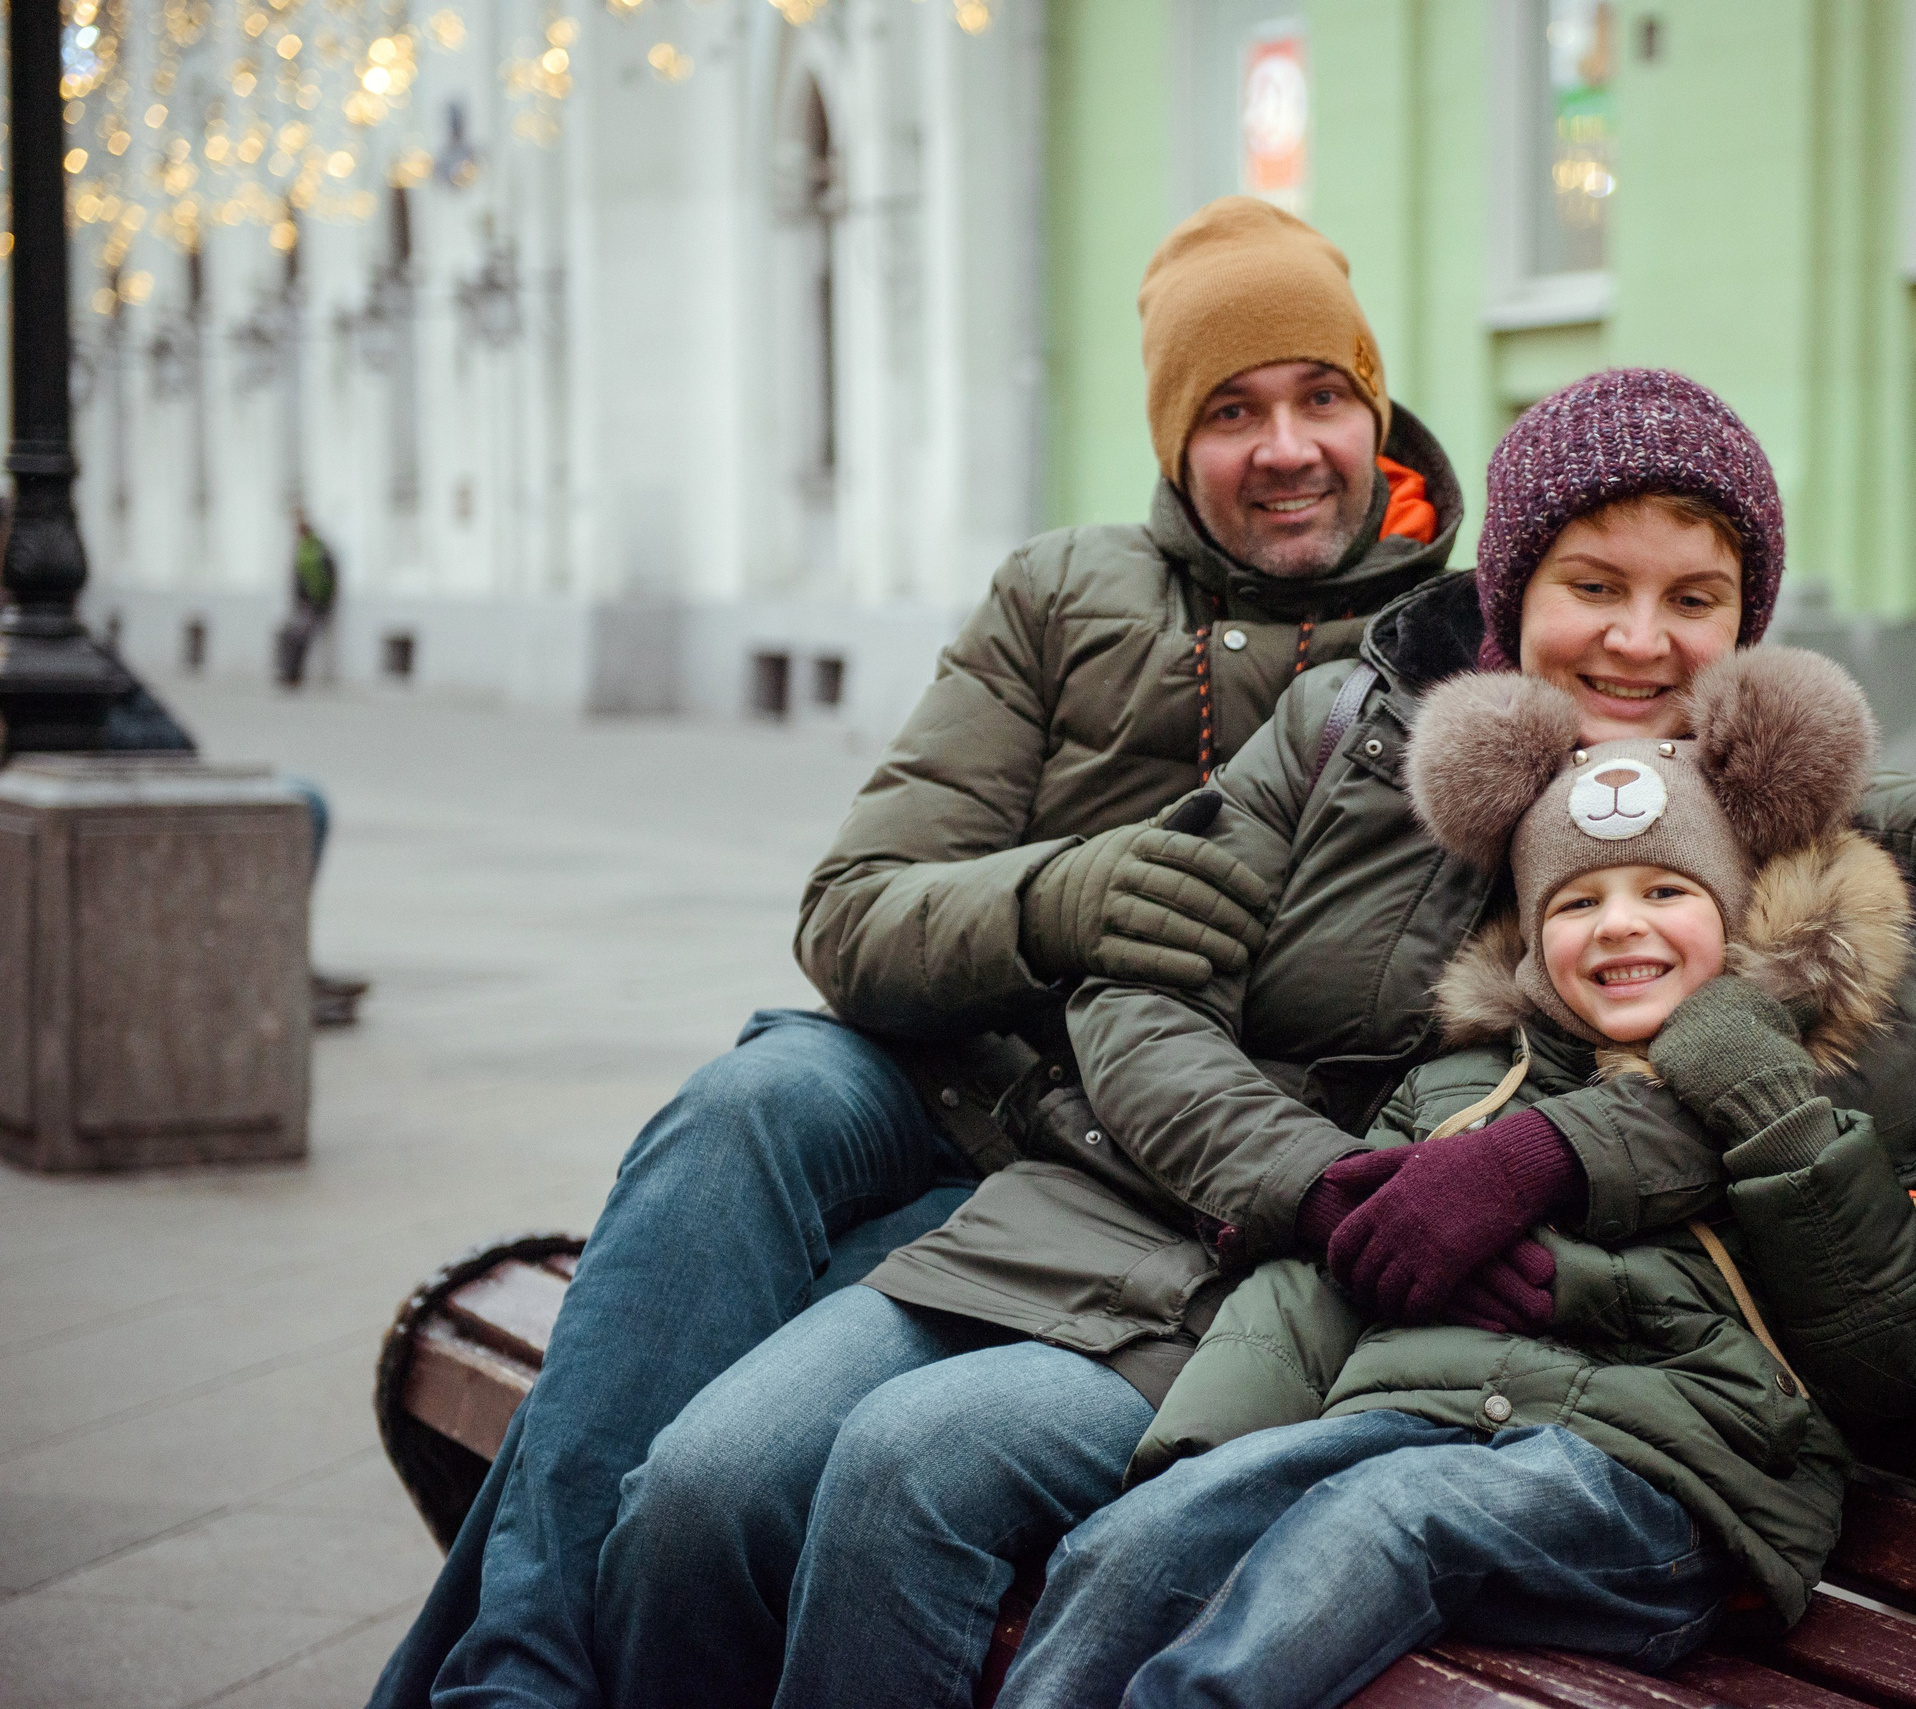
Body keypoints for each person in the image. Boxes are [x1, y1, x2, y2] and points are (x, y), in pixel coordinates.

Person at [583, 371, 1916, 1708]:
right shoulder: (1350, 730)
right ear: (1511, 592)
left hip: (1289, 1328)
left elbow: (1807, 970)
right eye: (1591, 589)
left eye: (1695, 603)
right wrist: (1315, 1180)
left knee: (904, 1477)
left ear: (1746, 629)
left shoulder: (1730, 843)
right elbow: (1136, 987)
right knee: (706, 1483)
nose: (1640, 643)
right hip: (1150, 1220)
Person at [371, 194, 1468, 1709]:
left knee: (709, 1459)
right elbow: (852, 914)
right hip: (936, 1072)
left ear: (1375, 413)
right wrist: (1052, 900)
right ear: (1173, 440)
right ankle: (520, 1678)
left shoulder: (1448, 646)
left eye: (1320, 397)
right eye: (1230, 411)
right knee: (749, 1101)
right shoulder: (1064, 591)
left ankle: (508, 1672)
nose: (1284, 447)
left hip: (1122, 1161)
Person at [997, 639, 1916, 1708]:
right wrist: (1208, 1458)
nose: (1620, 923)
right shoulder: (1459, 1086)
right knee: (1137, 1540)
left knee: (1382, 1521)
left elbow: (1904, 1353)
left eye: (1665, 888)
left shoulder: (1810, 1089)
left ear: (1736, 909)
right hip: (1411, 1428)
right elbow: (1326, 1277)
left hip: (1660, 1485)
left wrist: (1766, 1111)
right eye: (1576, 903)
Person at [277, 509, 338, 690]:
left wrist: (322, 602)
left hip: (311, 604)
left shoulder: (311, 550)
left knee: (297, 639)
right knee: (295, 638)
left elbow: (306, 578)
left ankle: (292, 675)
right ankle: (291, 674)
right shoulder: (312, 548)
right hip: (309, 604)